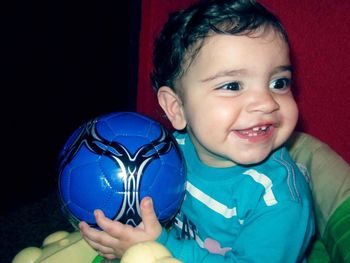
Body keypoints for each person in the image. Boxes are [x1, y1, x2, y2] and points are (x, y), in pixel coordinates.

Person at [79, 0, 315, 262]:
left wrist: (161, 246)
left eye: (278, 82)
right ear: (177, 108)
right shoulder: (170, 152)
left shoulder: (278, 202)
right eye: (233, 85)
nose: (267, 102)